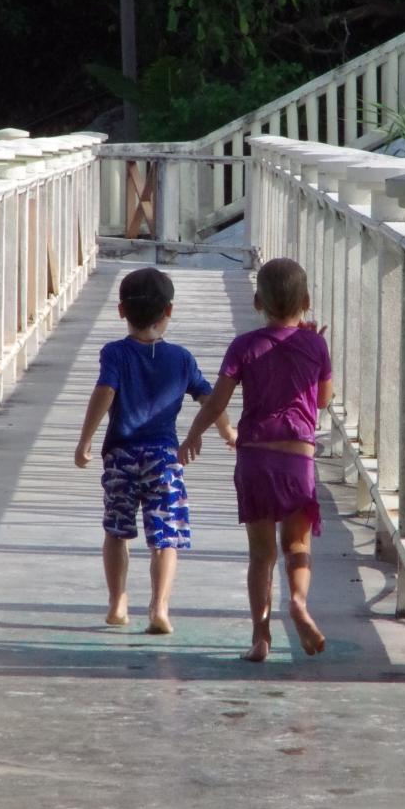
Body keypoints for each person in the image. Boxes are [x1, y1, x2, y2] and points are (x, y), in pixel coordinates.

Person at [178, 257, 332, 662]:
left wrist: (193, 434)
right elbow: (323, 400)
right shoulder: (316, 345)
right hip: (298, 459)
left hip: (255, 459)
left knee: (261, 555)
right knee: (296, 545)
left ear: (257, 302)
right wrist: (314, 350)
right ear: (307, 301)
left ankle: (260, 636)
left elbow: (217, 402)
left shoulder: (244, 346)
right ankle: (298, 602)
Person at [75, 266, 236, 635]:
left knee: (116, 531)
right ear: (169, 311)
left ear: (121, 311)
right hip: (164, 459)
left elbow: (105, 392)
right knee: (166, 537)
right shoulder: (181, 358)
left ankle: (117, 602)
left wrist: (85, 440)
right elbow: (209, 398)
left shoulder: (114, 353)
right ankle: (160, 607)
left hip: (121, 456)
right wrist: (227, 431)